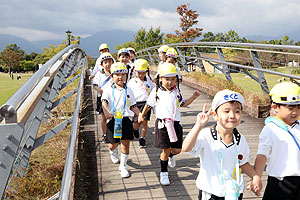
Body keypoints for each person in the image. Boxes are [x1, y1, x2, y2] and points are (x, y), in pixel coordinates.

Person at [182, 89, 262, 200]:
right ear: (214, 115)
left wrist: (255, 176)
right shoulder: (206, 135)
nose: (232, 115)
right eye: (226, 111)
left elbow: (243, 163)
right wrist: (198, 126)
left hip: (234, 193)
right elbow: (186, 148)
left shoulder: (240, 139)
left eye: (237, 111)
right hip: (210, 194)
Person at [139, 63, 200, 185]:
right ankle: (164, 173)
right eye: (167, 79)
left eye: (173, 79)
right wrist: (142, 114)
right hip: (162, 124)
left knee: (177, 150)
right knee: (165, 150)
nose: (170, 82)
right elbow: (148, 104)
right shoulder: (156, 92)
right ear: (160, 78)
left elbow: (183, 104)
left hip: (176, 123)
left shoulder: (176, 91)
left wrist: (193, 97)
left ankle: (169, 157)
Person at [253, 81, 300, 200]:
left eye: (298, 107)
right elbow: (262, 154)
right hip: (280, 181)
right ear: (275, 107)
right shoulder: (270, 129)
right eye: (290, 107)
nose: (295, 112)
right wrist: (257, 176)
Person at [101, 62, 143, 178]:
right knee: (113, 143)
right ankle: (112, 151)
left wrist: (139, 115)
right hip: (114, 119)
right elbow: (104, 102)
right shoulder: (108, 89)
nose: (120, 77)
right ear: (112, 76)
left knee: (125, 143)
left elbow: (132, 105)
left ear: (126, 76)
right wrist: (106, 111)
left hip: (125, 119)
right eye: (117, 75)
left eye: (123, 74)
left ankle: (123, 166)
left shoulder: (128, 90)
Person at [127, 59, 154, 148]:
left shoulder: (148, 80)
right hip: (136, 105)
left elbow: (152, 90)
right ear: (135, 71)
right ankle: (134, 129)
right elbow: (128, 94)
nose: (141, 75)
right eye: (139, 73)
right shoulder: (131, 82)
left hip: (146, 104)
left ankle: (142, 138)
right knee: (137, 122)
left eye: (143, 73)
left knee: (144, 121)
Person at [93, 52, 114, 142]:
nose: (108, 64)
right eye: (105, 62)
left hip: (113, 98)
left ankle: (115, 134)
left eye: (109, 62)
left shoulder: (115, 73)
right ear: (102, 64)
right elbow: (95, 85)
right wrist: (99, 90)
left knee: (114, 116)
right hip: (102, 98)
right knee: (104, 117)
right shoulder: (99, 74)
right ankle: (105, 134)